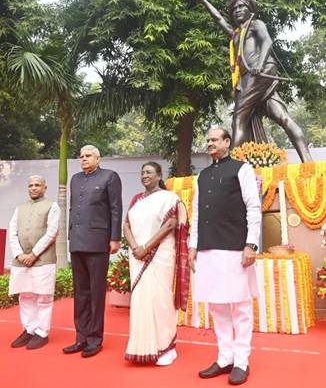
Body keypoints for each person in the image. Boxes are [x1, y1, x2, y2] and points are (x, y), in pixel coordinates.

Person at [196, 0, 312, 163]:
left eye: (241, 6)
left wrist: (259, 63)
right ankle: (308, 161)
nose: (237, 10)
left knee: (239, 118)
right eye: (234, 8)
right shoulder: (236, 33)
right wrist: (204, 1)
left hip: (260, 71)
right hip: (250, 76)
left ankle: (230, 167)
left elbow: (267, 41)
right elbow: (219, 19)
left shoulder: (255, 24)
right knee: (282, 117)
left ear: (250, 9)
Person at [188, 126, 261, 385]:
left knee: (240, 306)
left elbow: (253, 207)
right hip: (208, 247)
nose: (210, 143)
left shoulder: (242, 169)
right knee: (217, 305)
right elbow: (196, 213)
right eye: (207, 140)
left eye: (215, 139)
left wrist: (251, 244)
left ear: (227, 142)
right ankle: (224, 357)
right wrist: (192, 245)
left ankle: (241, 361)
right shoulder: (202, 176)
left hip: (235, 247)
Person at [123, 162, 189, 366]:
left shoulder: (169, 198)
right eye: (142, 172)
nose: (145, 176)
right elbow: (126, 225)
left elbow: (170, 224)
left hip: (160, 255)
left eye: (149, 172)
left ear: (159, 176)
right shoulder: (136, 199)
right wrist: (136, 248)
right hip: (138, 256)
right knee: (141, 301)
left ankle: (166, 347)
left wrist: (147, 247)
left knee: (160, 300)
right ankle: (141, 347)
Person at [63, 145, 122, 358]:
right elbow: (72, 208)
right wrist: (71, 234)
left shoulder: (110, 177)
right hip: (77, 242)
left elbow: (116, 208)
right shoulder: (76, 179)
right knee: (80, 293)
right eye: (81, 156)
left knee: (96, 293)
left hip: (98, 243)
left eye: (88, 156)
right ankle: (81, 337)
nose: (84, 159)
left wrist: (115, 238)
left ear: (98, 158)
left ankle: (95, 339)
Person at [9, 175, 60, 350]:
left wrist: (34, 254)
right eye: (31, 185)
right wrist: (19, 254)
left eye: (37, 185)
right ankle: (29, 329)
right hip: (21, 260)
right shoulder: (20, 208)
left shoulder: (52, 206)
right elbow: (12, 232)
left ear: (45, 188)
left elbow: (52, 232)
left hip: (43, 260)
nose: (34, 188)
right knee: (25, 296)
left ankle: (42, 332)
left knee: (43, 297)